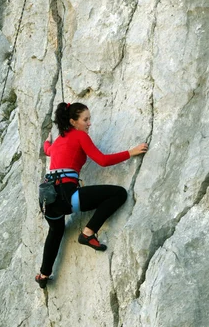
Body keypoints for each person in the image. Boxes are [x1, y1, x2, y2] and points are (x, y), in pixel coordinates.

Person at [35, 102, 148, 288]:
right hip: (66, 195)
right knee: (118, 194)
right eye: (85, 120)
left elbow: (47, 150)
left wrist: (47, 140)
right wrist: (131, 152)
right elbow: (102, 161)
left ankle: (43, 275)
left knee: (55, 231)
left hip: (47, 199)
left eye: (89, 119)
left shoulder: (56, 143)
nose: (89, 124)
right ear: (73, 121)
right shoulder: (80, 136)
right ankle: (88, 233)